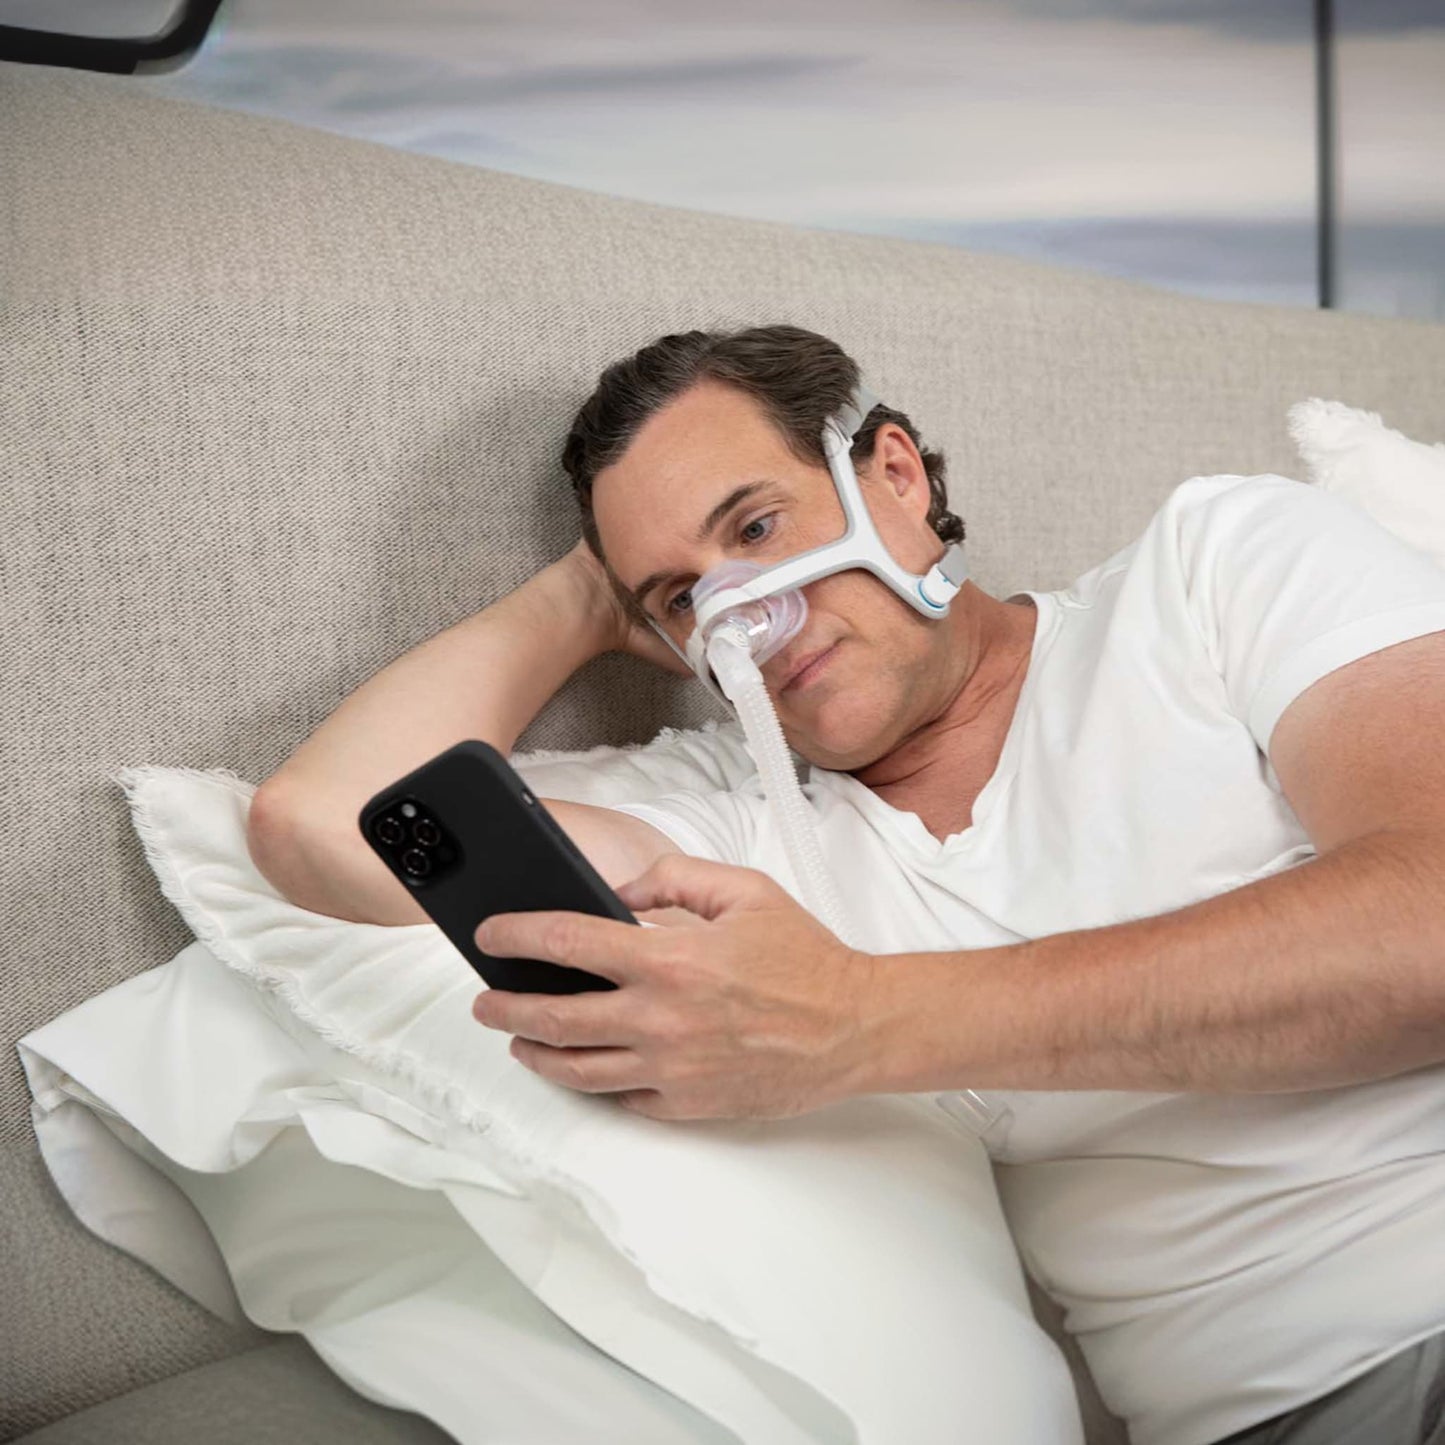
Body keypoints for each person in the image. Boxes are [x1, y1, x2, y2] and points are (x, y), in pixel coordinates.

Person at [249, 324, 1445, 1445]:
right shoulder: (741, 822)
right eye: (681, 597)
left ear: (893, 476)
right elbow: (326, 827)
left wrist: (861, 1018)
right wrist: (582, 597)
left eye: (755, 530)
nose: (743, 617)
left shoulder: (1212, 568)